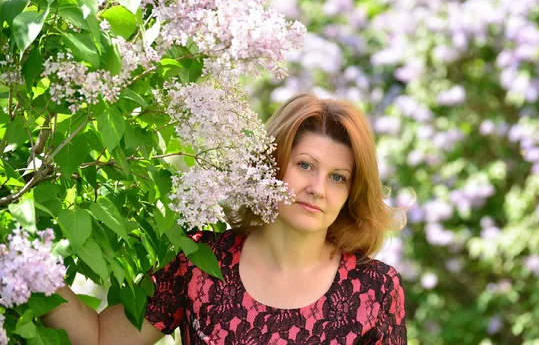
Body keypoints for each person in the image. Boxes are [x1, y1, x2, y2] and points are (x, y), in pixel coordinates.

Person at [43, 93, 407, 344]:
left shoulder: (375, 289)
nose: (318, 188)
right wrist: (24, 256)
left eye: (337, 177)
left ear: (350, 192)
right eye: (305, 165)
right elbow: (98, 338)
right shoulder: (199, 261)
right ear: (272, 164)